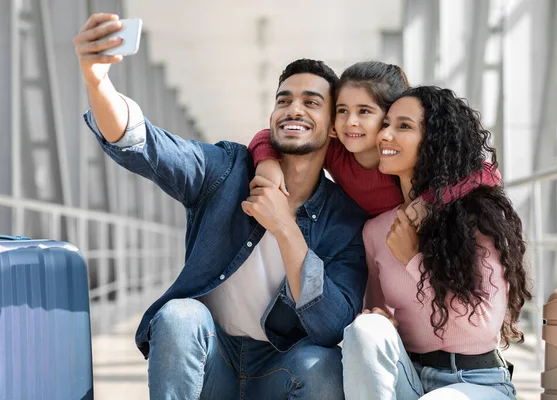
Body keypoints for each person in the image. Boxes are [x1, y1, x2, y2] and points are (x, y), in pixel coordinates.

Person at [73, 13, 368, 399]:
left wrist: (285, 228)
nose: (294, 109)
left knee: (323, 365)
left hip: (279, 368)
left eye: (311, 102)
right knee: (179, 317)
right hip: (212, 355)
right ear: (272, 116)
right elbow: (146, 145)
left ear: (332, 126)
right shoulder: (227, 170)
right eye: (285, 100)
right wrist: (97, 82)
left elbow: (330, 327)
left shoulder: (345, 220)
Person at [341, 86, 531, 400]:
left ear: (434, 140)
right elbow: (376, 314)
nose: (386, 135)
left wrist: (414, 260)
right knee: (365, 329)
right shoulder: (376, 231)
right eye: (385, 125)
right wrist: (376, 316)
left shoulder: (476, 219)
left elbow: (483, 327)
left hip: (476, 381)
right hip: (408, 377)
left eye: (403, 126)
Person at [248, 61, 501, 219]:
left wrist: (429, 202)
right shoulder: (336, 150)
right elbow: (268, 134)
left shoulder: (400, 158)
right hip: (364, 239)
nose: (351, 122)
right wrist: (267, 163)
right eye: (342, 111)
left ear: (389, 116)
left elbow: (489, 174)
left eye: (364, 111)